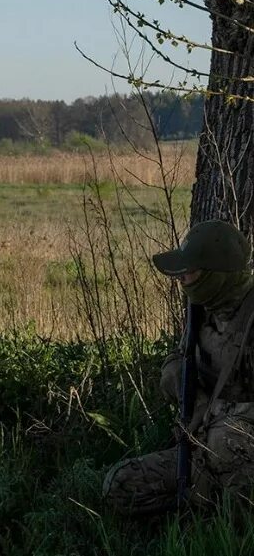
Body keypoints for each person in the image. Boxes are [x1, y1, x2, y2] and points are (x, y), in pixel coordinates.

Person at [103, 220, 254, 516]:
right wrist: (174, 372)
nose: (182, 279)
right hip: (203, 451)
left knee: (224, 439)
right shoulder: (204, 310)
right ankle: (204, 510)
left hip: (235, 450)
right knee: (120, 486)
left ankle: (233, 533)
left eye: (191, 272)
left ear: (216, 275)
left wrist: (218, 415)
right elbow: (181, 357)